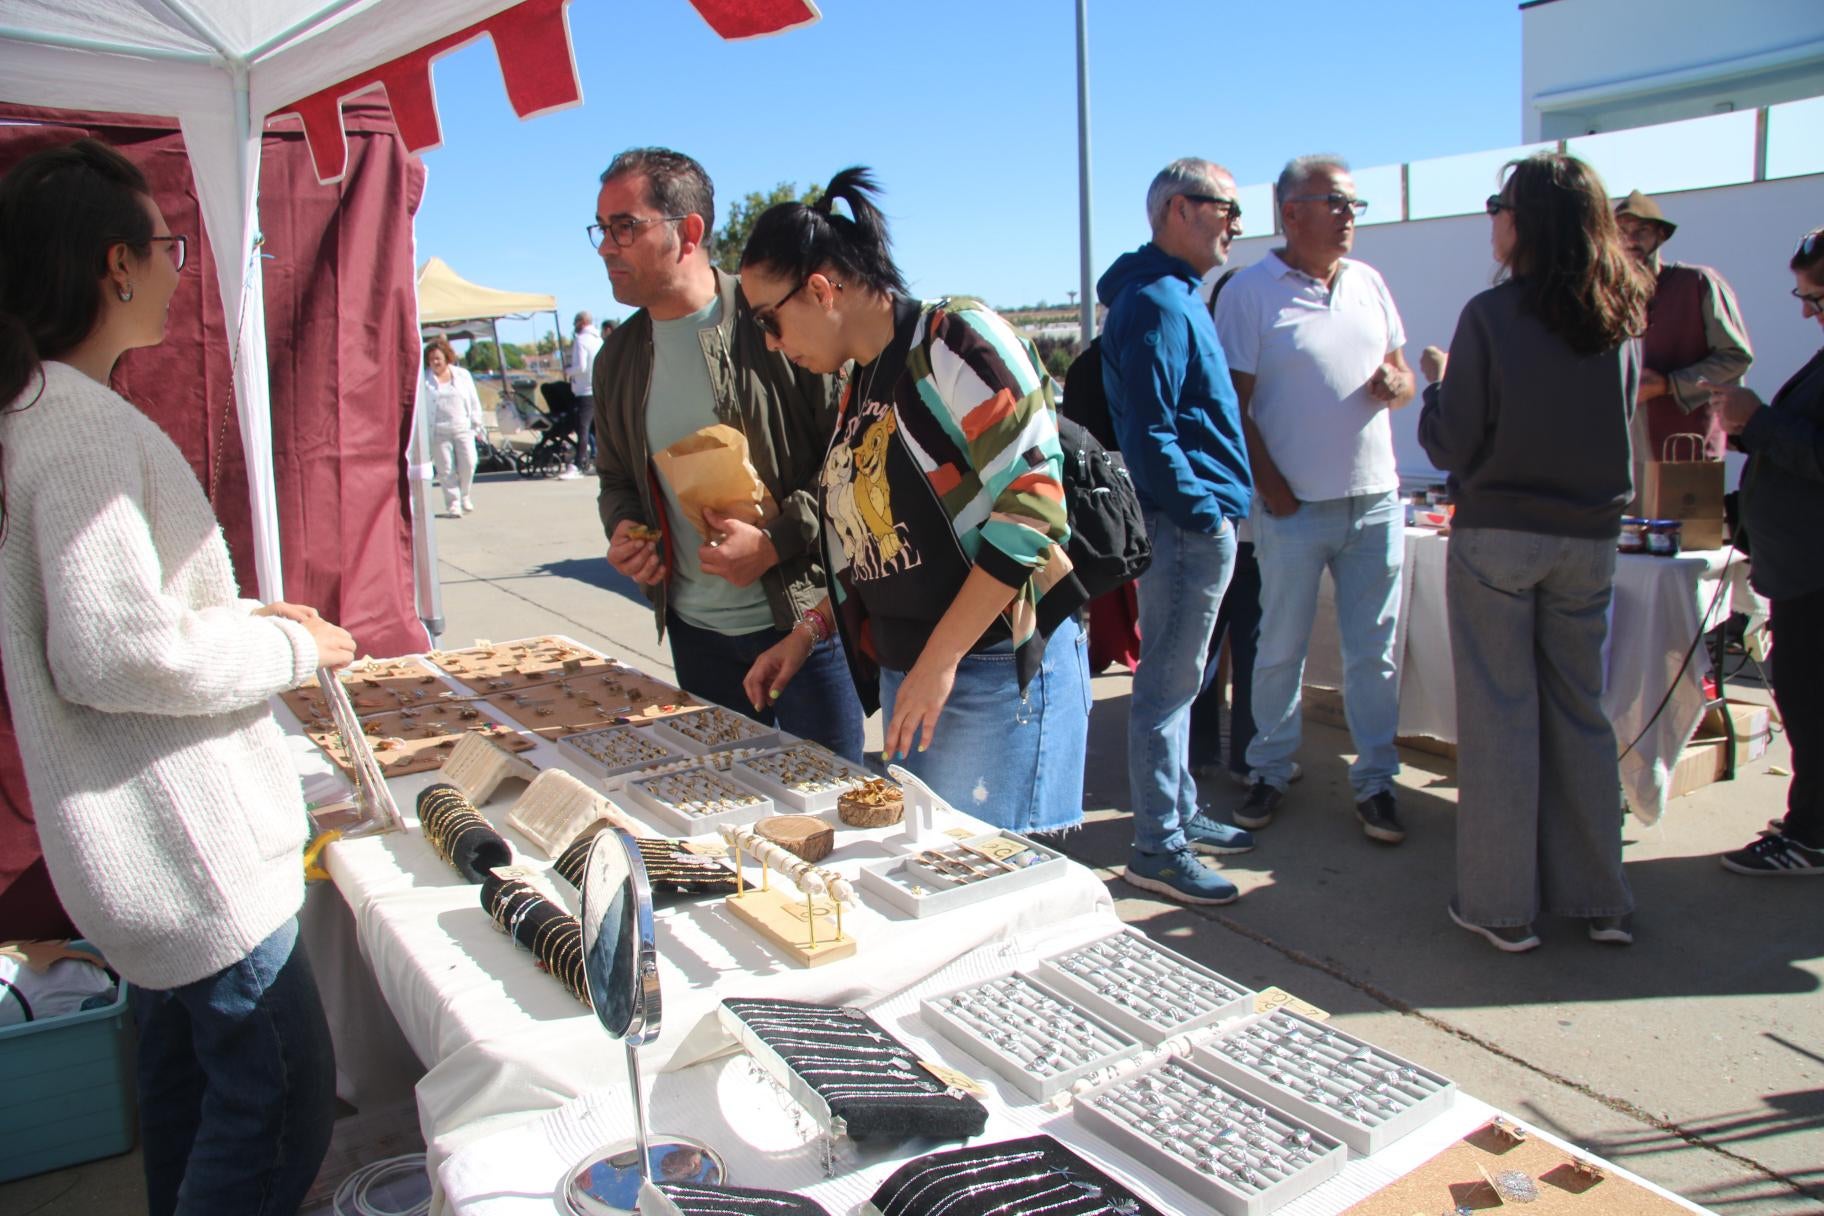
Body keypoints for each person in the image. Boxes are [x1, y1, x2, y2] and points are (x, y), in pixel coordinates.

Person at [0, 138, 357, 1214]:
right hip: (187, 853)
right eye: (170, 246)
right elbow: (113, 650)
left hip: (144, 857)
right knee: (277, 1112)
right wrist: (296, 648)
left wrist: (247, 614)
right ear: (116, 265)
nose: (178, 266)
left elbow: (116, 612)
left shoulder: (36, 417)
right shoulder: (77, 427)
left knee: (191, 1099)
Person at [737, 168, 1091, 832]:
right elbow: (874, 550)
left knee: (990, 888)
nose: (771, 342)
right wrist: (809, 633)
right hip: (922, 675)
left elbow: (1035, 505)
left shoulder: (952, 339)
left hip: (987, 670)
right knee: (936, 880)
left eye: (770, 320)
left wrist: (940, 659)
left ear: (819, 289)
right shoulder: (859, 383)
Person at [1416, 151, 1651, 952]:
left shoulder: (1491, 316)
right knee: (1580, 716)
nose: (1492, 219)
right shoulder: (1621, 319)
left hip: (1500, 537)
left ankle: (1500, 905)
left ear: (1524, 221)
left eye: (1498, 205)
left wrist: (1436, 389)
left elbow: (1454, 440)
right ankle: (1600, 899)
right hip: (1590, 539)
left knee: (1502, 719)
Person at [590, 148, 864, 762]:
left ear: (688, 232)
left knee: (834, 816)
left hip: (805, 627)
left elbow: (853, 465)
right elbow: (615, 479)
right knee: (730, 822)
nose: (607, 246)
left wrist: (776, 542)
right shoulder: (617, 359)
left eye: (625, 226)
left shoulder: (779, 318)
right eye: (602, 230)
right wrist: (626, 531)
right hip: (697, 638)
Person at [1215, 154, 1414, 845]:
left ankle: (1377, 782)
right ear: (1291, 210)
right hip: (1292, 510)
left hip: (1377, 503)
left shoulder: (1368, 283)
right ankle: (1269, 768)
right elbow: (1232, 407)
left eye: (1355, 205)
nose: (1350, 217)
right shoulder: (1250, 291)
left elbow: (1401, 371)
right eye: (1337, 202)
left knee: (1374, 654)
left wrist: (1398, 384)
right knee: (1279, 650)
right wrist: (1271, 488)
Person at [1098, 158, 1255, 904]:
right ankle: (1157, 847)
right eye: (1227, 207)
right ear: (1179, 210)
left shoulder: (1171, 294)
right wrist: (1202, 510)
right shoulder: (1158, 300)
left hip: (1194, 520)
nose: (1236, 223)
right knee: (1166, 687)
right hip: (1188, 525)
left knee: (1179, 684)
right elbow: (1151, 430)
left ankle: (1180, 816)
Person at [1713, 227, 1824, 877]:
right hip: (1800, 565)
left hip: (1815, 572)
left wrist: (1759, 421)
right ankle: (1811, 815)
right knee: (1804, 699)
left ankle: (1811, 836)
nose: (1807, 310)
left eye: (1818, 297)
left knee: (1811, 701)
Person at [1614, 189, 1753, 461]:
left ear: (1661, 236)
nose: (1630, 241)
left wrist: (1670, 384)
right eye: (1621, 232)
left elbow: (1736, 357)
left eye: (1641, 230)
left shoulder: (1698, 283)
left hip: (1687, 449)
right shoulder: (1607, 297)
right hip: (1623, 456)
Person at [420, 334, 484, 516]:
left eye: (438, 358)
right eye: (431, 359)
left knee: (469, 463)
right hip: (439, 430)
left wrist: (476, 422)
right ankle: (453, 503)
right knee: (445, 469)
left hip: (462, 428)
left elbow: (473, 400)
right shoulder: (424, 380)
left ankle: (465, 495)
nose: (435, 362)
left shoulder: (463, 376)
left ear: (447, 358)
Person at [558, 309, 604, 479]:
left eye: (575, 323)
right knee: (598, 429)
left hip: (584, 391)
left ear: (582, 322)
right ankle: (600, 461)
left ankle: (578, 464)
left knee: (582, 428)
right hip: (599, 389)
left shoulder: (581, 340)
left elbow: (581, 367)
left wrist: (568, 371)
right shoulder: (599, 340)